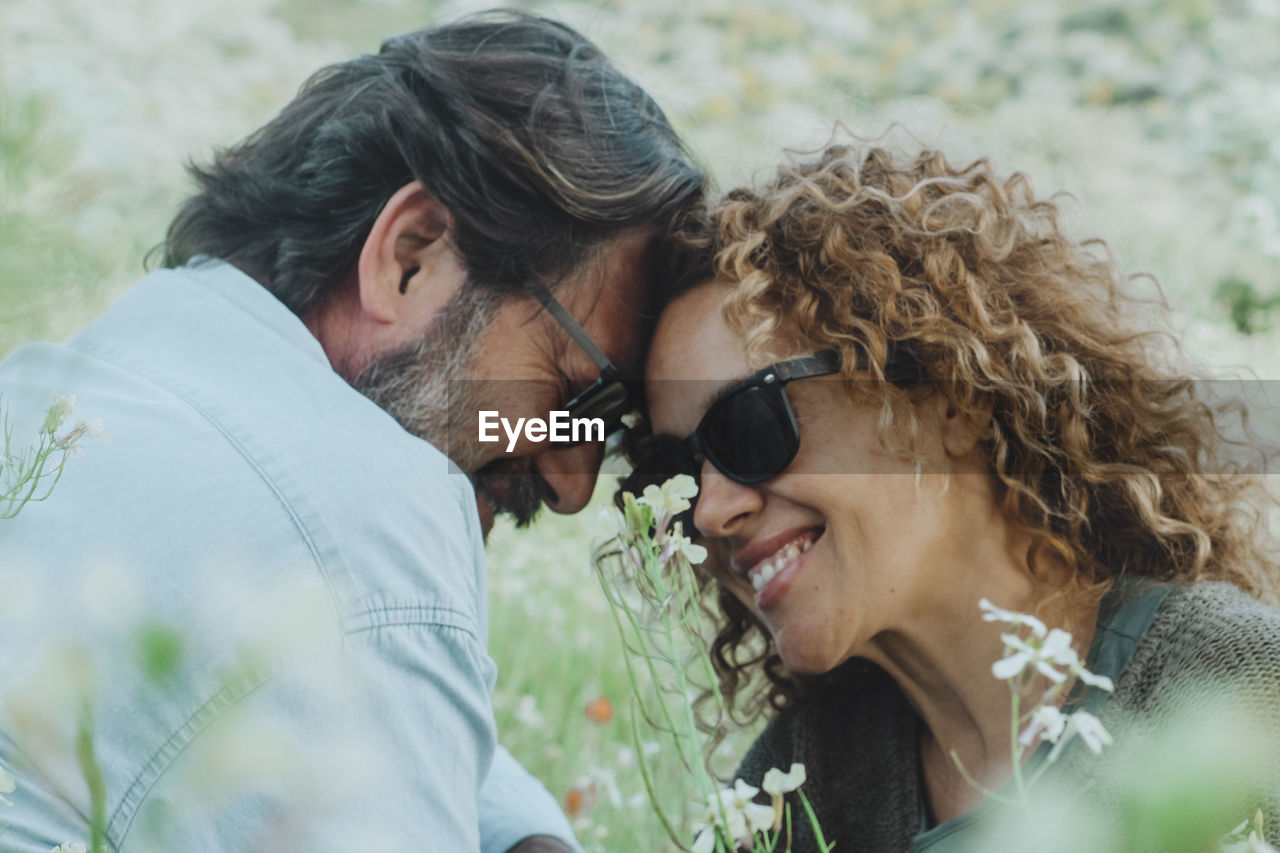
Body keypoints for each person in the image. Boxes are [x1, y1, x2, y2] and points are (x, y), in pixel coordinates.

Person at [0, 11, 704, 853]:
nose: (572, 482)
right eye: (578, 394)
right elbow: (354, 595)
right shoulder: (366, 513)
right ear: (411, 257)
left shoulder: (104, 374)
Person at [636, 143, 1280, 851]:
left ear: (950, 396)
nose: (707, 509)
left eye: (749, 424)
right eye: (677, 468)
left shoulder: (1238, 687)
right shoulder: (797, 785)